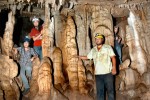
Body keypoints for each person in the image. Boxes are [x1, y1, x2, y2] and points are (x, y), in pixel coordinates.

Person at [78, 33, 116, 100]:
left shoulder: (107, 47)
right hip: (98, 74)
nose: (97, 40)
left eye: (99, 38)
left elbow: (113, 57)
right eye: (96, 39)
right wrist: (79, 57)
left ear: (102, 39)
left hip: (108, 73)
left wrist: (114, 67)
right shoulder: (93, 50)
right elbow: (87, 57)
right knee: (100, 92)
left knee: (110, 91)